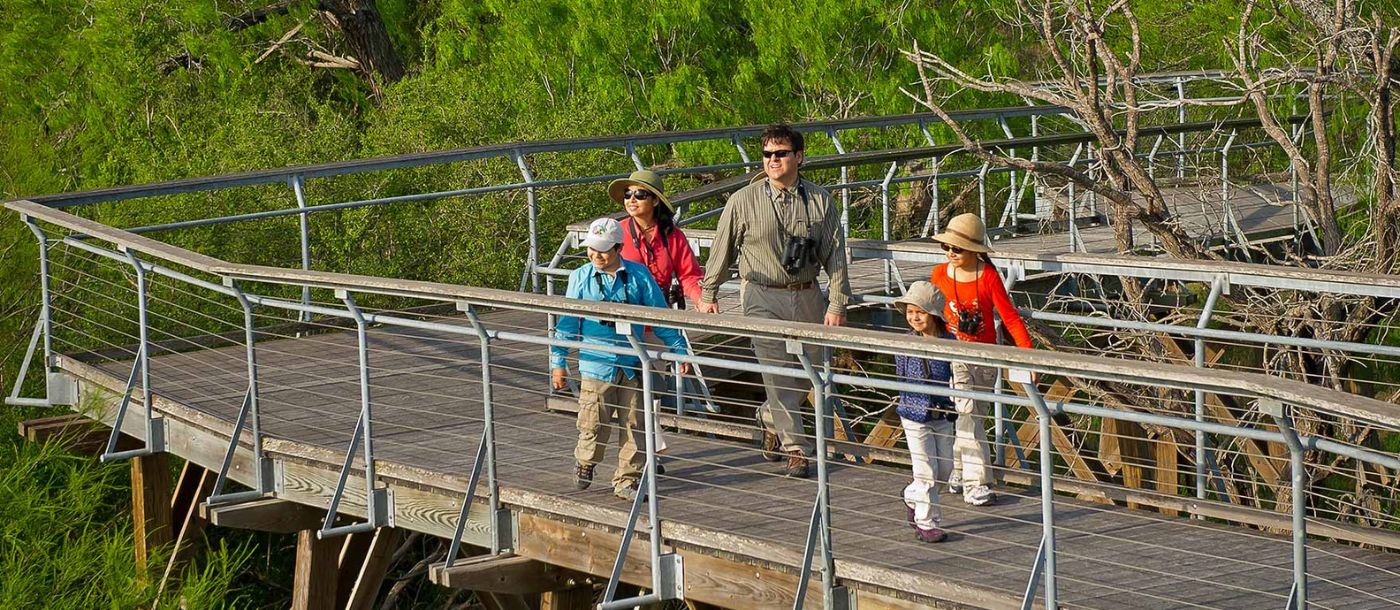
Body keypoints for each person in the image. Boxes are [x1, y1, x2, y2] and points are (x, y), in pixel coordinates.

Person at [697, 123, 851, 478]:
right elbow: (723, 249)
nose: (773, 160)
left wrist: (838, 302)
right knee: (777, 371)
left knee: (808, 373)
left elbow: (837, 255)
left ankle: (768, 416)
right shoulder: (742, 200)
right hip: (761, 295)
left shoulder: (819, 199)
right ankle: (798, 449)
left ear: (798, 156)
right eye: (767, 154)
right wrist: (709, 292)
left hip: (807, 293)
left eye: (781, 153)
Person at [550, 218, 690, 501]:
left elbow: (659, 316)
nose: (596, 256)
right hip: (595, 363)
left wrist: (679, 348)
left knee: (635, 424)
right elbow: (567, 322)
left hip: (633, 363)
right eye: (591, 249)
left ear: (618, 248)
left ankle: (628, 479)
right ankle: (586, 460)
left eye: (602, 250)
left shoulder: (638, 276)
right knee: (593, 422)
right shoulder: (580, 277)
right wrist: (558, 361)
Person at [928, 213, 1033, 507]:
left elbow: (1010, 318)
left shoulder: (988, 277)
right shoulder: (938, 274)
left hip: (986, 356)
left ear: (975, 250)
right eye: (947, 247)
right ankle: (977, 482)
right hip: (953, 354)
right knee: (968, 411)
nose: (950, 253)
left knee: (972, 416)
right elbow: (930, 313)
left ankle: (959, 469)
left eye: (957, 248)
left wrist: (1026, 358)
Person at [893, 281, 961, 543]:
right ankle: (927, 523)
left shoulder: (949, 341)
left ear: (933, 314)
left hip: (942, 413)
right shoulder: (906, 343)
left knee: (944, 471)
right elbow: (900, 376)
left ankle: (911, 496)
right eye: (910, 312)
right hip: (914, 413)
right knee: (926, 472)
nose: (914, 318)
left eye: (920, 312)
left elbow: (958, 372)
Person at [609, 169, 704, 309]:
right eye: (627, 194)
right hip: (624, 314)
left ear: (655, 200)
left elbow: (689, 275)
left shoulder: (673, 235)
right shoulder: (615, 232)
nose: (631, 200)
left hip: (661, 313)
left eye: (640, 194)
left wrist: (702, 300)